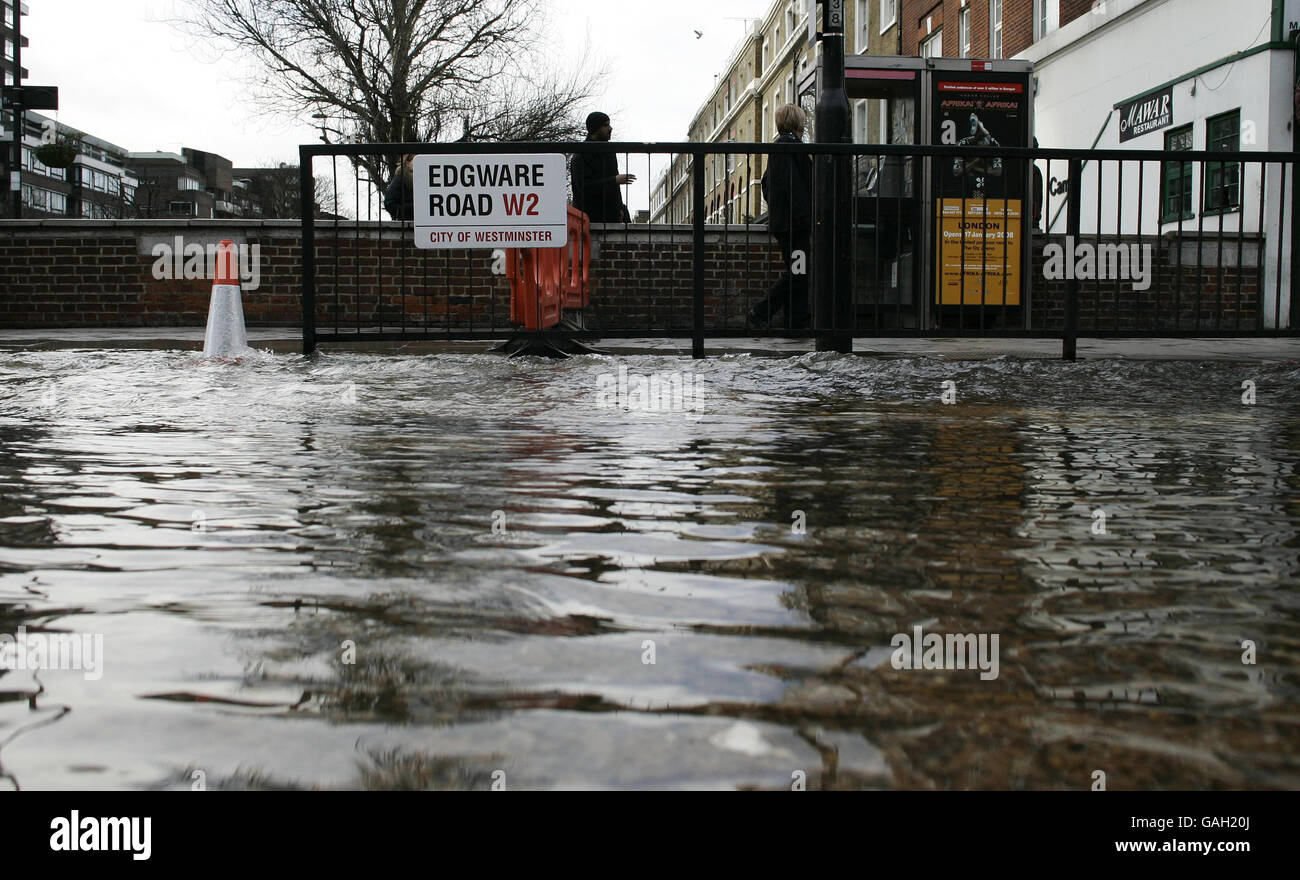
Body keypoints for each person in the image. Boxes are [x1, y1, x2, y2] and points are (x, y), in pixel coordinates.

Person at [749, 103, 811, 330]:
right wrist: (804, 216)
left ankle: (795, 322)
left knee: (798, 272)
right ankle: (762, 311)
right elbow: (794, 186)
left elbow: (766, 183)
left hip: (786, 224)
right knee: (798, 272)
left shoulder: (779, 147)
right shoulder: (790, 147)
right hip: (795, 225)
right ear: (797, 122)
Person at [571, 112, 635, 223]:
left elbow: (615, 188)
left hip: (611, 215)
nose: (610, 128)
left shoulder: (609, 151)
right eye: (605, 125)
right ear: (595, 128)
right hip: (589, 218)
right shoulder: (580, 155)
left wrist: (619, 207)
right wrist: (614, 180)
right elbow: (584, 187)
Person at [384, 153, 415, 221]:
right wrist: (413, 207)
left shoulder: (419, 178)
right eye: (414, 160)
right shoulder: (401, 177)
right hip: (405, 221)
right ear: (407, 162)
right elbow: (389, 203)